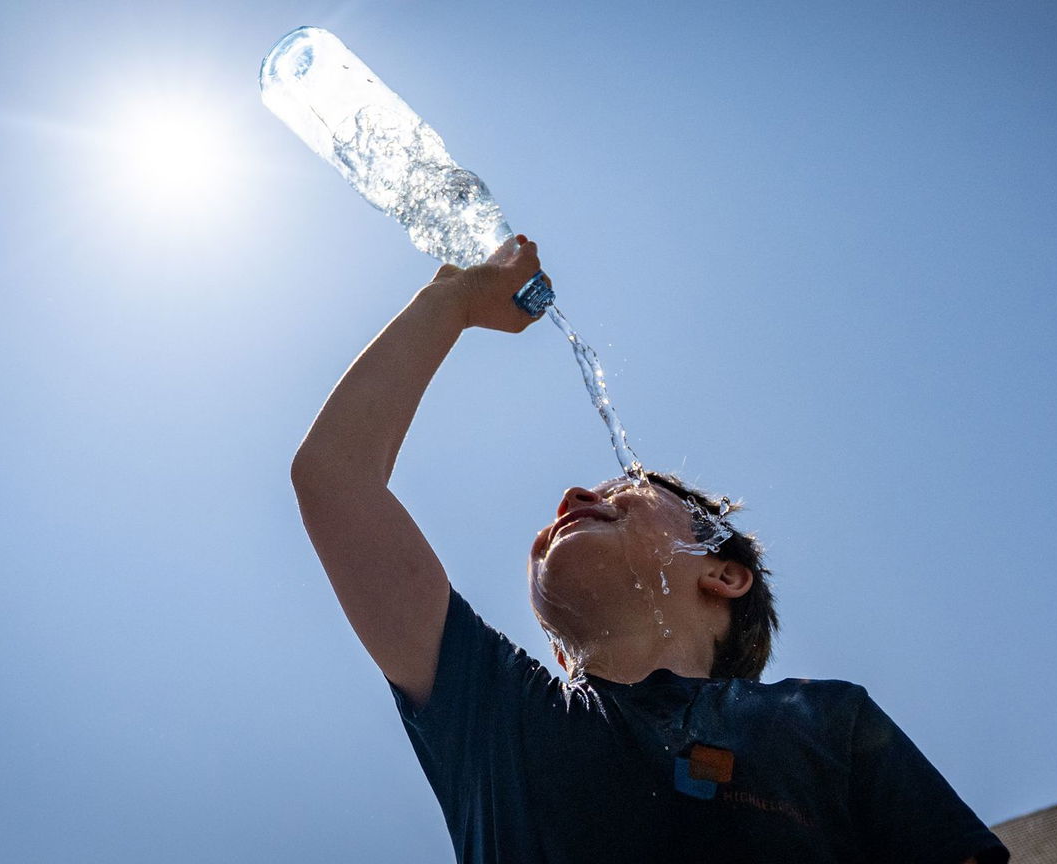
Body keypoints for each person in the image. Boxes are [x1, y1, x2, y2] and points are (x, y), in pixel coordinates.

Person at [290, 236, 1009, 863]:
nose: (570, 497)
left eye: (625, 488)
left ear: (725, 574)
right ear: (558, 647)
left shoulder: (827, 723)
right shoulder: (497, 719)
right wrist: (452, 300)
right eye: (554, 523)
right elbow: (335, 477)